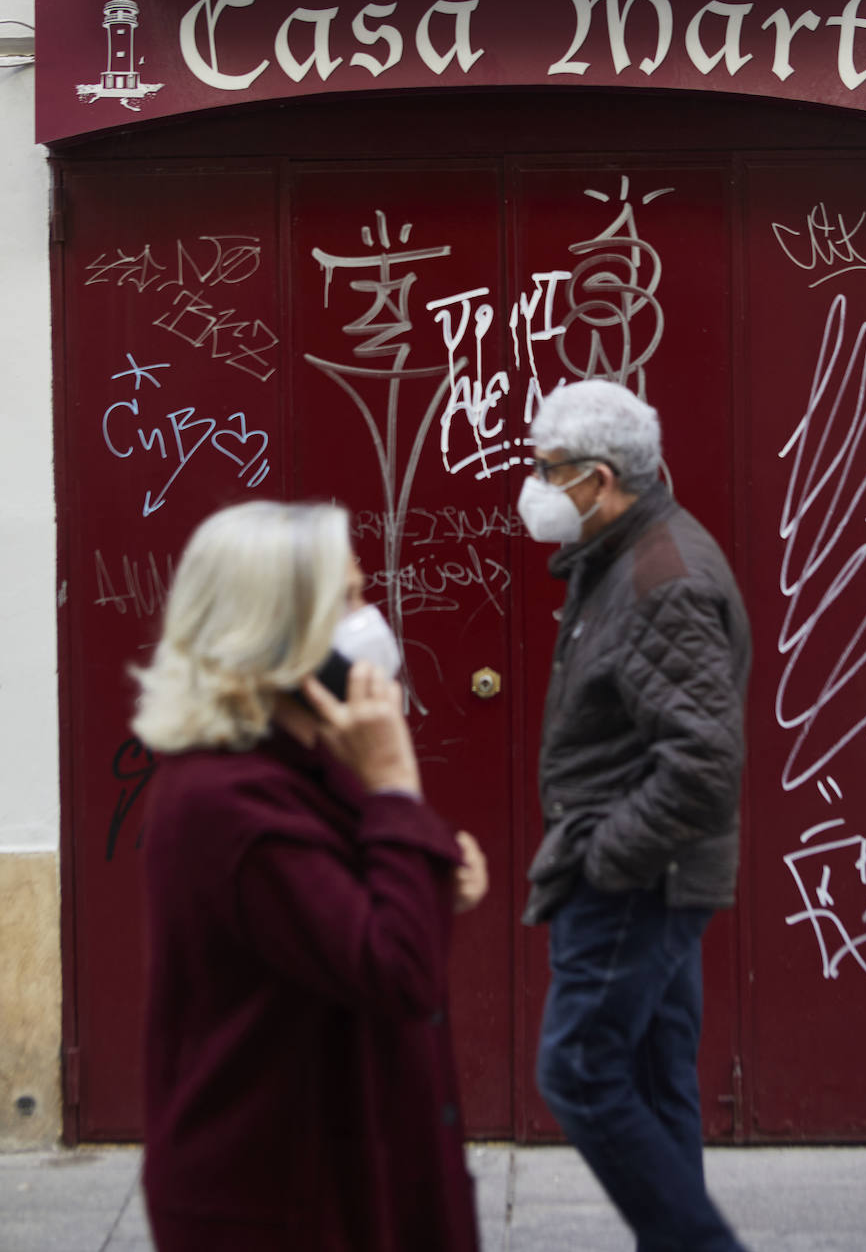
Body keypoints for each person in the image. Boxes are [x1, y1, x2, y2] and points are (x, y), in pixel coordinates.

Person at [131, 499, 488, 1252]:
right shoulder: (226, 800)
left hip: (356, 1172)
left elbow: (363, 887)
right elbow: (395, 967)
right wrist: (396, 784)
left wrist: (430, 863)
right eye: (349, 599)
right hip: (279, 1205)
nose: (372, 619)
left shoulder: (311, 752)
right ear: (273, 626)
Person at [519, 380, 752, 1252]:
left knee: (578, 1069)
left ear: (601, 477)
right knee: (654, 1076)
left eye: (549, 472)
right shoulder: (623, 553)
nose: (536, 488)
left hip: (635, 875)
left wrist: (607, 859)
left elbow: (703, 761)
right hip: (645, 867)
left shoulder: (661, 579)